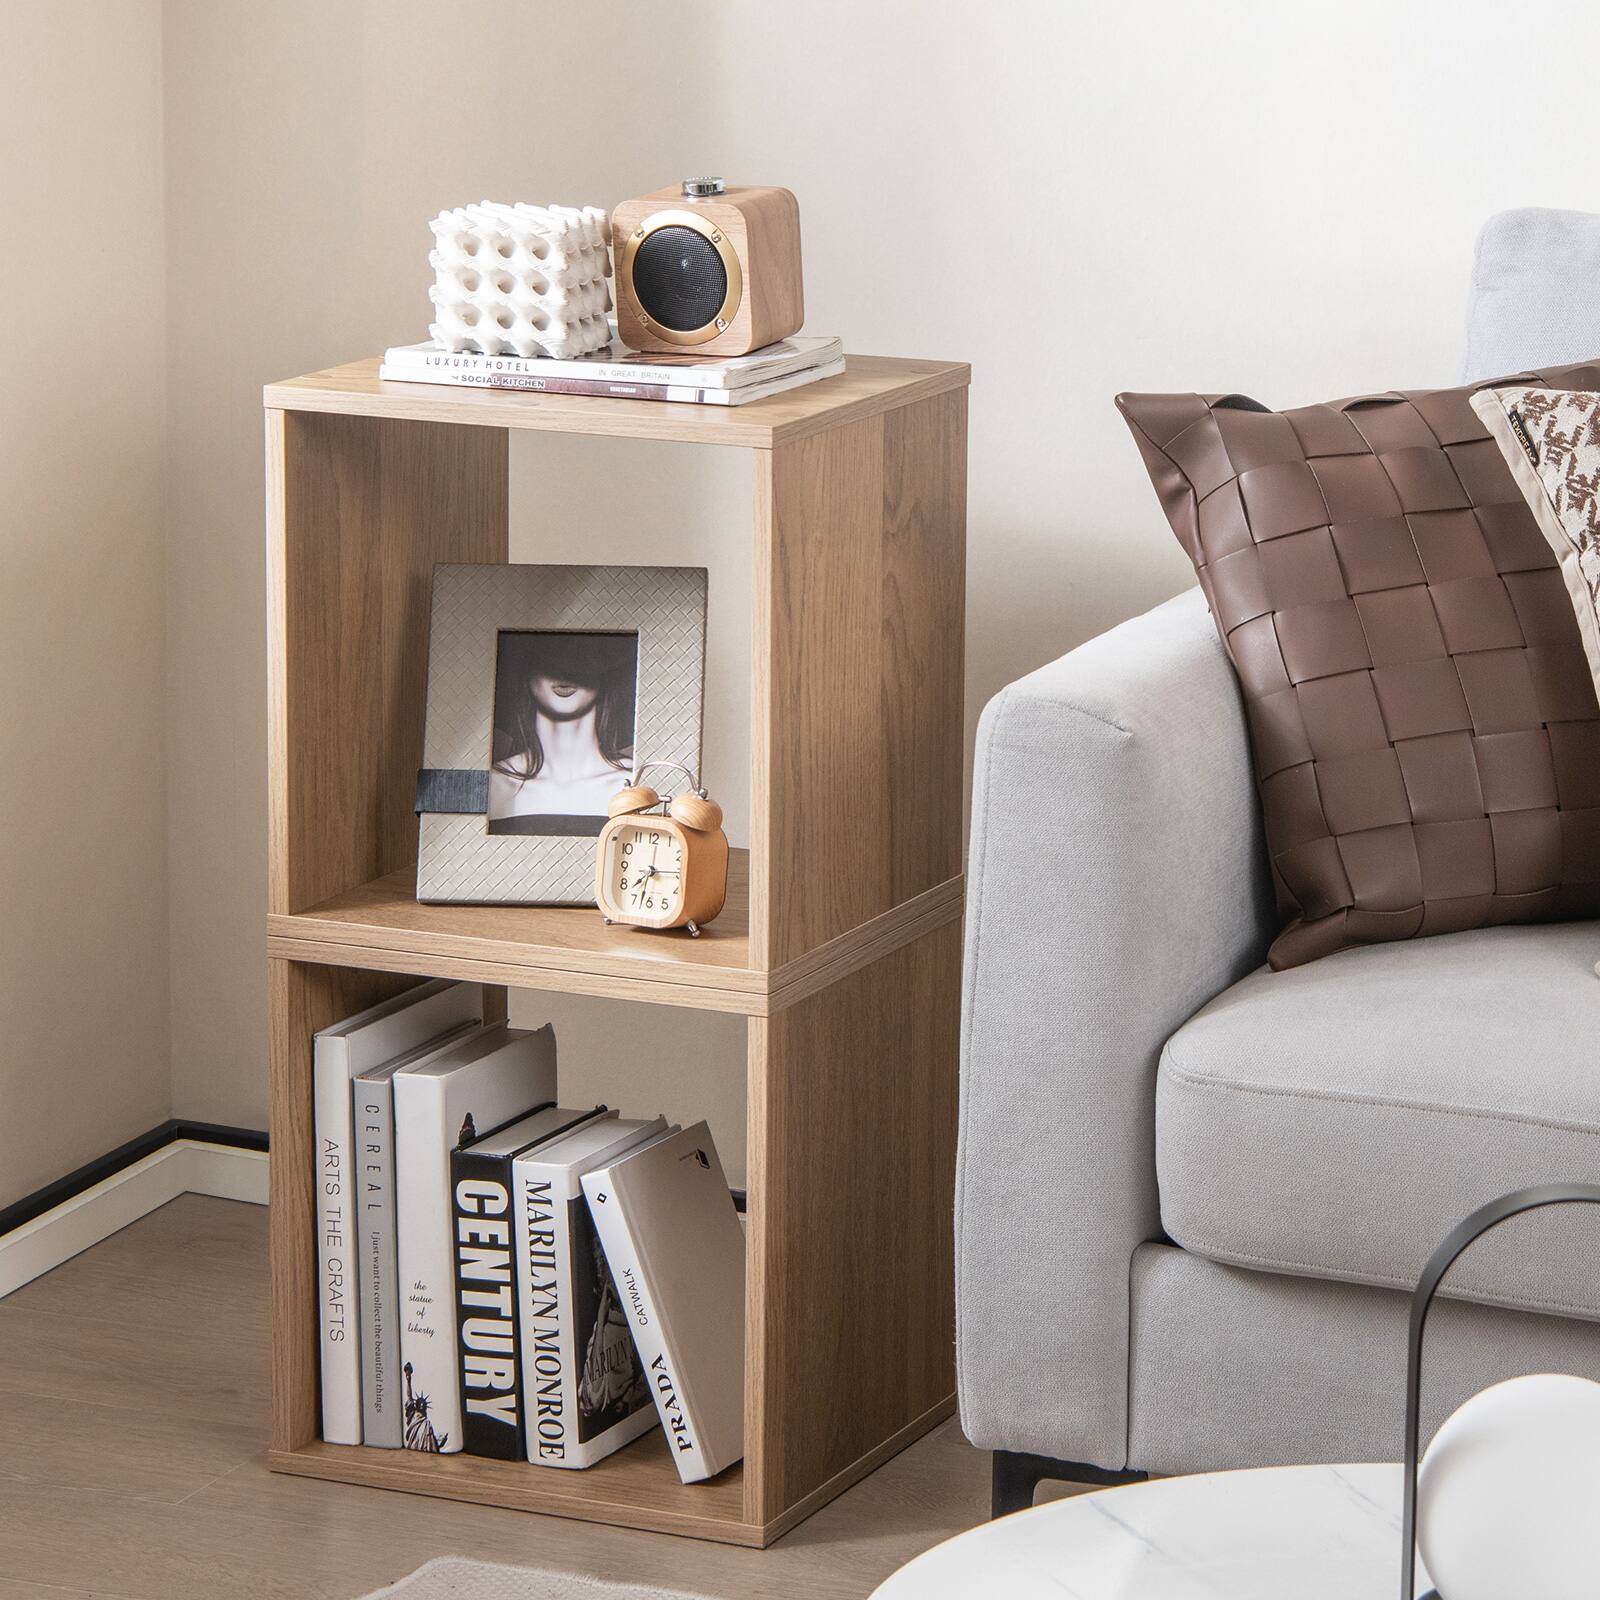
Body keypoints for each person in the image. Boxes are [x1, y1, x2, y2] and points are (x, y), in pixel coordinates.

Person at [487, 632, 635, 832]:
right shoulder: (493, 785)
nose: (564, 674)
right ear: (527, 671)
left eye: (581, 659)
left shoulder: (635, 785)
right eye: (548, 660)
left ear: (603, 672)